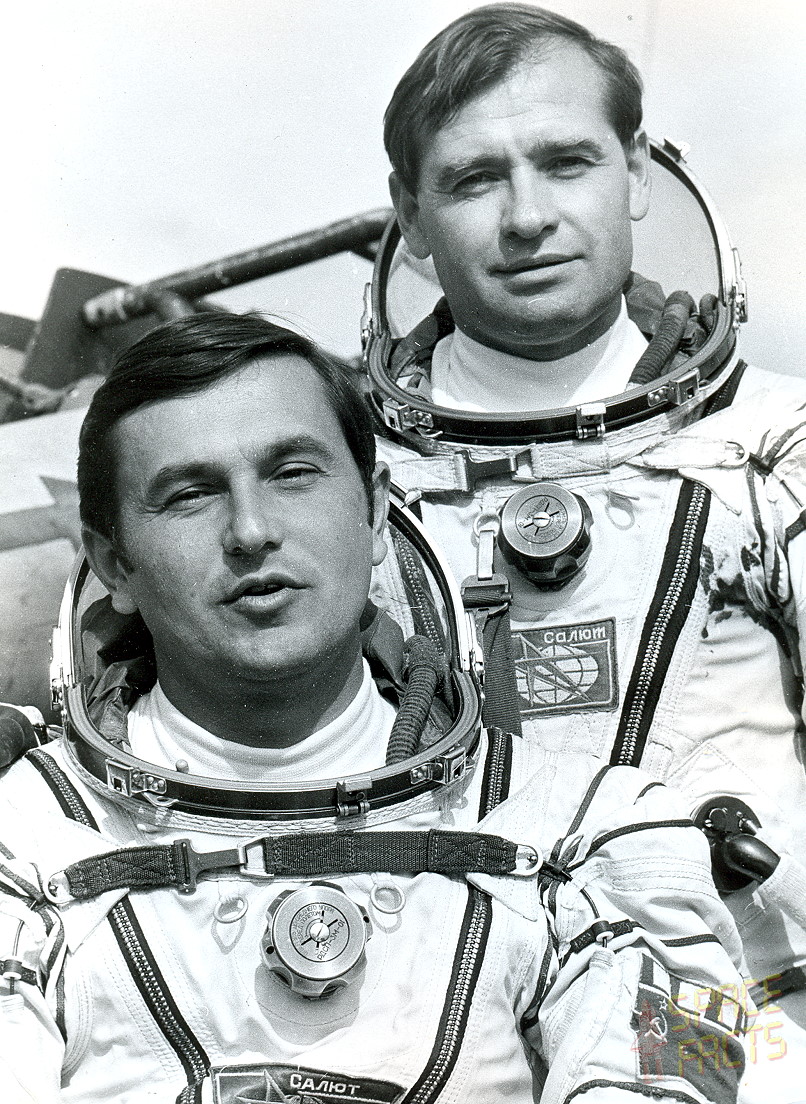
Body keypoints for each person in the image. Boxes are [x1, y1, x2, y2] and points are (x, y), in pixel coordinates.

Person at [0, 311, 748, 1103]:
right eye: (190, 495)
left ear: (376, 512)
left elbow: (674, 1076)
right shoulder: (26, 849)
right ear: (114, 563)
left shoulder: (590, 837)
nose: (250, 531)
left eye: (293, 473)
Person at [361, 4, 806, 1097]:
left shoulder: (766, 450)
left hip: (738, 1017)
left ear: (636, 172)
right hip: (431, 1028)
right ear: (410, 215)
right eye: (473, 180)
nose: (527, 218)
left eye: (566, 163)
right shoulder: (340, 488)